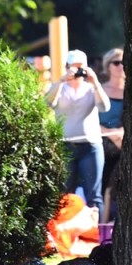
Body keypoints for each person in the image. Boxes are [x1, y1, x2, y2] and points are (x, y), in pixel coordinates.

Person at [46, 49, 111, 212]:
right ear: (66, 67)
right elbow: (47, 103)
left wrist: (95, 82)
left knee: (94, 196)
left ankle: (98, 234)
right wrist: (61, 80)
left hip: (90, 146)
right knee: (64, 195)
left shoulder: (91, 89)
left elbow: (104, 107)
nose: (77, 72)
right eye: (73, 67)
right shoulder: (59, 88)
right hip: (65, 146)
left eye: (81, 67)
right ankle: (64, 233)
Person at [98, 47, 125, 223]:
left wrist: (120, 135)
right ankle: (101, 226)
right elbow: (91, 118)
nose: (121, 66)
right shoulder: (99, 90)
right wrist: (111, 134)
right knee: (103, 187)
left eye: (124, 62)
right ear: (108, 66)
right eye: (117, 62)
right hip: (102, 140)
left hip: (124, 141)